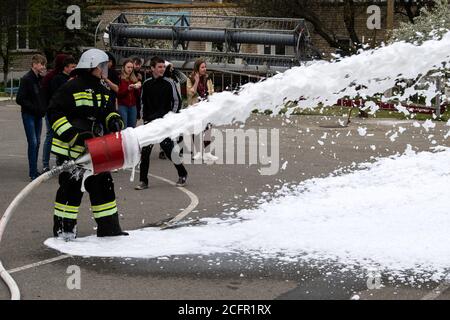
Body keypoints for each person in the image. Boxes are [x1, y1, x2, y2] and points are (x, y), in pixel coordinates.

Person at [47, 48, 128, 240]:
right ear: (93, 66)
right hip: (71, 148)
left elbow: (108, 112)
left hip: (96, 146)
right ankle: (64, 230)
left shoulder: (103, 89)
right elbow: (54, 113)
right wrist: (74, 135)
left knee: (103, 185)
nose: (105, 70)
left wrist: (114, 120)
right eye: (102, 66)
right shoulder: (70, 87)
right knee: (71, 188)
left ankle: (109, 228)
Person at [135, 56, 188, 190]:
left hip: (164, 123)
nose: (162, 69)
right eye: (159, 67)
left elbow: (177, 102)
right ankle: (143, 181)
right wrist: (143, 117)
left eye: (163, 67)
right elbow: (142, 102)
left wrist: (171, 118)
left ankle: (182, 173)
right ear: (152, 68)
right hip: (149, 123)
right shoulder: (146, 84)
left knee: (169, 150)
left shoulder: (169, 83)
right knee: (145, 152)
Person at [16, 54, 47, 181]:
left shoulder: (39, 79)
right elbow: (20, 99)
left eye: (44, 64)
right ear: (34, 64)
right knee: (33, 142)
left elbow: (41, 96)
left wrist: (42, 108)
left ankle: (35, 171)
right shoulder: (27, 79)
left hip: (38, 115)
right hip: (29, 115)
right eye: (41, 64)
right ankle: (32, 172)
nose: (43, 67)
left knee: (37, 142)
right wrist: (34, 108)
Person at [186, 58, 218, 162]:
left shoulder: (207, 79)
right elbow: (191, 93)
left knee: (208, 130)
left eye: (205, 67)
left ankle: (207, 153)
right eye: (202, 67)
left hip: (206, 108)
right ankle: (197, 152)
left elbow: (211, 92)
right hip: (195, 108)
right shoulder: (190, 79)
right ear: (197, 68)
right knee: (195, 130)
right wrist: (196, 81)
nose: (205, 69)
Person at [41, 54, 69, 172]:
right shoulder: (52, 77)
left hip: (62, 111)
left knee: (60, 136)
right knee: (51, 135)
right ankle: (45, 164)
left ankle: (60, 161)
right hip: (52, 111)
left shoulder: (64, 76)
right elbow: (50, 94)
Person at [117, 59, 141, 128]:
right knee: (123, 127)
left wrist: (137, 88)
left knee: (132, 128)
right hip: (122, 106)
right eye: (128, 67)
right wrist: (127, 90)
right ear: (124, 67)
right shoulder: (119, 78)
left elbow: (137, 96)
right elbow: (118, 94)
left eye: (131, 67)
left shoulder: (134, 79)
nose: (130, 69)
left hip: (133, 106)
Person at [132, 56, 144, 121]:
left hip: (138, 98)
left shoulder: (140, 74)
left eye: (139, 65)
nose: (138, 66)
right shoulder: (130, 73)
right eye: (136, 64)